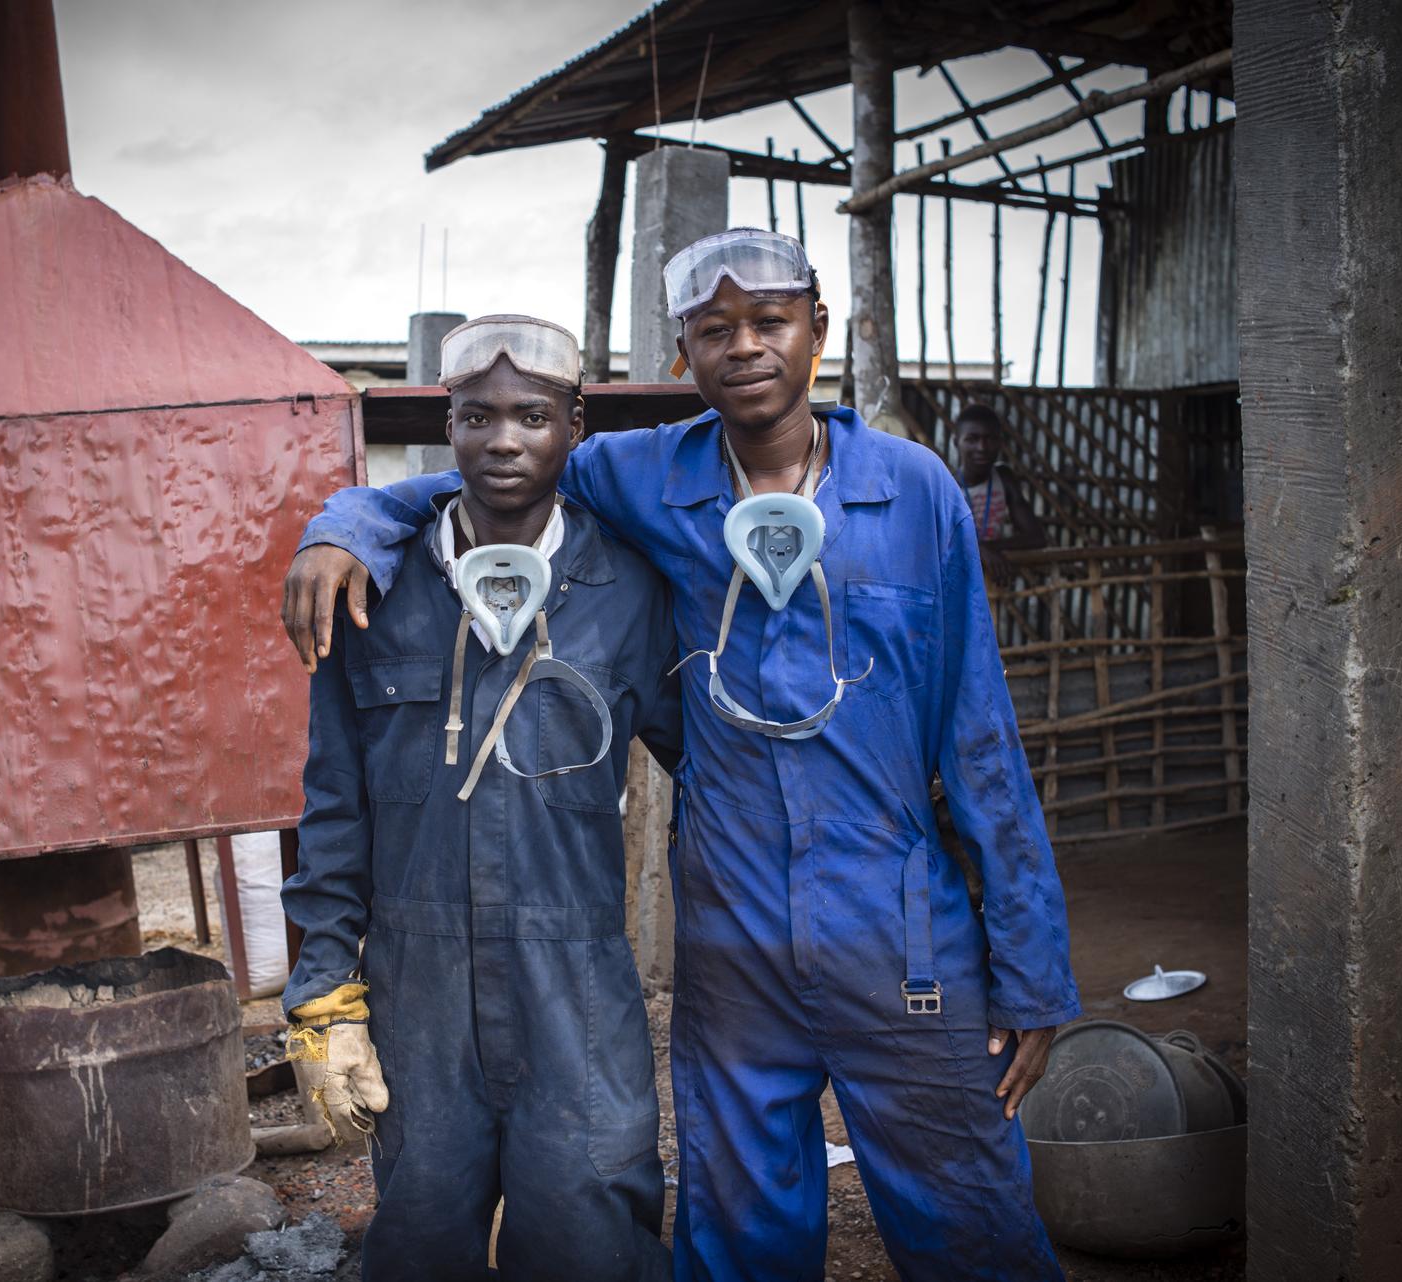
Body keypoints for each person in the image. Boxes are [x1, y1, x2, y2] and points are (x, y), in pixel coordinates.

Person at [281, 230, 1081, 1281]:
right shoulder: (642, 474)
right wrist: (342, 523)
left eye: (770, 321)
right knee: (741, 1233)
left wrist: (1030, 967)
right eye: (715, 329)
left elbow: (981, 737)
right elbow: (481, 483)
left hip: (901, 932)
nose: (745, 347)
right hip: (734, 939)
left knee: (973, 1217)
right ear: (683, 355)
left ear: (818, 332)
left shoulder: (915, 489)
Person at [280, 314, 682, 1282]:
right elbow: (334, 806)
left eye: (533, 416)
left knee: (591, 1223)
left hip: (576, 977)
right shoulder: (372, 589)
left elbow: (713, 774)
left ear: (574, 425)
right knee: (421, 1226)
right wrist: (324, 986)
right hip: (420, 988)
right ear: (445, 426)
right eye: (476, 416)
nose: (504, 439)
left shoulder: (626, 588)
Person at [955, 402, 1048, 577]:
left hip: (994, 581)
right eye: (972, 439)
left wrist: (983, 548)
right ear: (956, 442)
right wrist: (980, 550)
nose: (982, 447)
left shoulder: (1004, 478)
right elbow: (937, 544)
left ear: (1000, 443)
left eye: (990, 439)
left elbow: (1036, 538)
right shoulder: (947, 486)